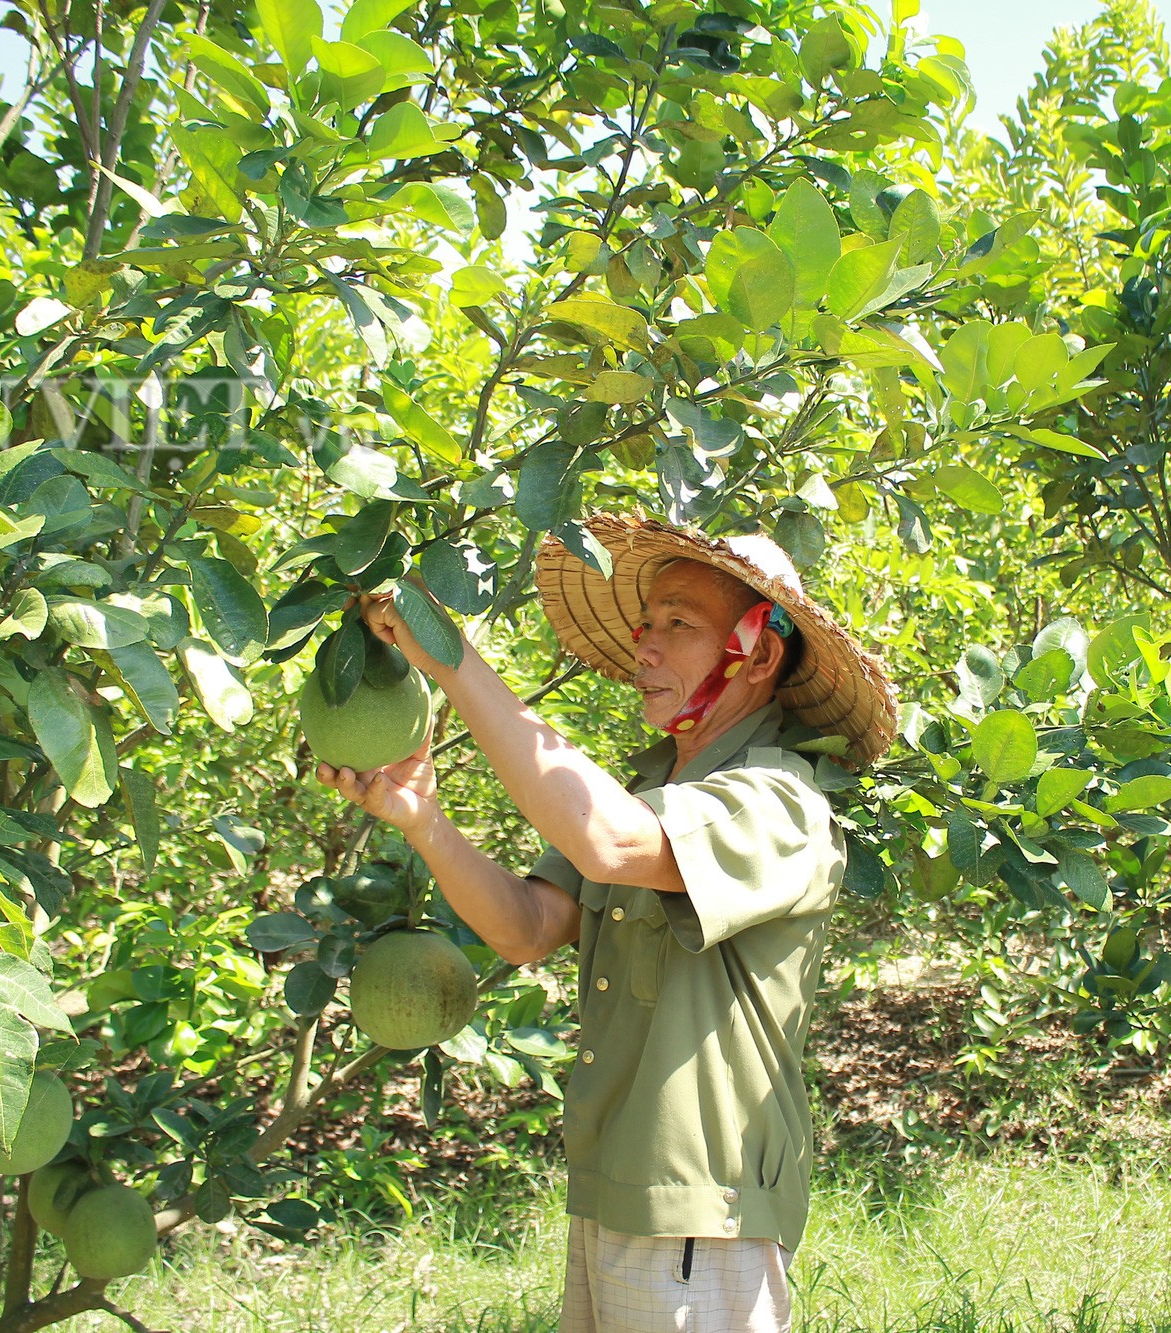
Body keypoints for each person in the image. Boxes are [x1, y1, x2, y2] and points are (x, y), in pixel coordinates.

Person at [314, 513, 896, 1332]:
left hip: (701, 1208)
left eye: (680, 624)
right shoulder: (654, 790)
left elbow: (609, 840)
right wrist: (425, 820)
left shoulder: (782, 799)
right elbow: (526, 927)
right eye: (646, 623)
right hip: (614, 1186)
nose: (646, 646)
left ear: (758, 653)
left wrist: (448, 658)